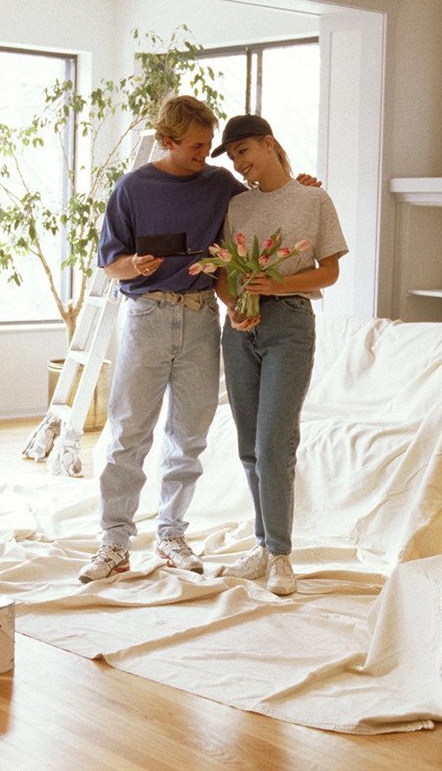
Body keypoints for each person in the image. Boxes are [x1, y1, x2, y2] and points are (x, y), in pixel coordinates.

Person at [80, 97, 319, 583]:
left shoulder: (220, 184)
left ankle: (172, 535)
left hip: (201, 317)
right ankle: (115, 542)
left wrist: (304, 189)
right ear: (166, 141)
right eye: (195, 146)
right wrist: (134, 265)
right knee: (128, 433)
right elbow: (111, 263)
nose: (205, 154)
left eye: (210, 144)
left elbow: (268, 200)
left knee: (188, 437)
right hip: (146, 317)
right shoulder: (131, 188)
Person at [211, 114, 348, 596]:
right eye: (233, 157)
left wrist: (278, 285)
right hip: (240, 330)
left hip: (289, 325)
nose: (239, 163)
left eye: (244, 151)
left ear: (269, 144)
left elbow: (329, 272)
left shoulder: (313, 199)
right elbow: (223, 274)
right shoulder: (237, 205)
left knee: (274, 443)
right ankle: (263, 546)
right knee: (248, 445)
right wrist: (233, 308)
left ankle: (282, 555)